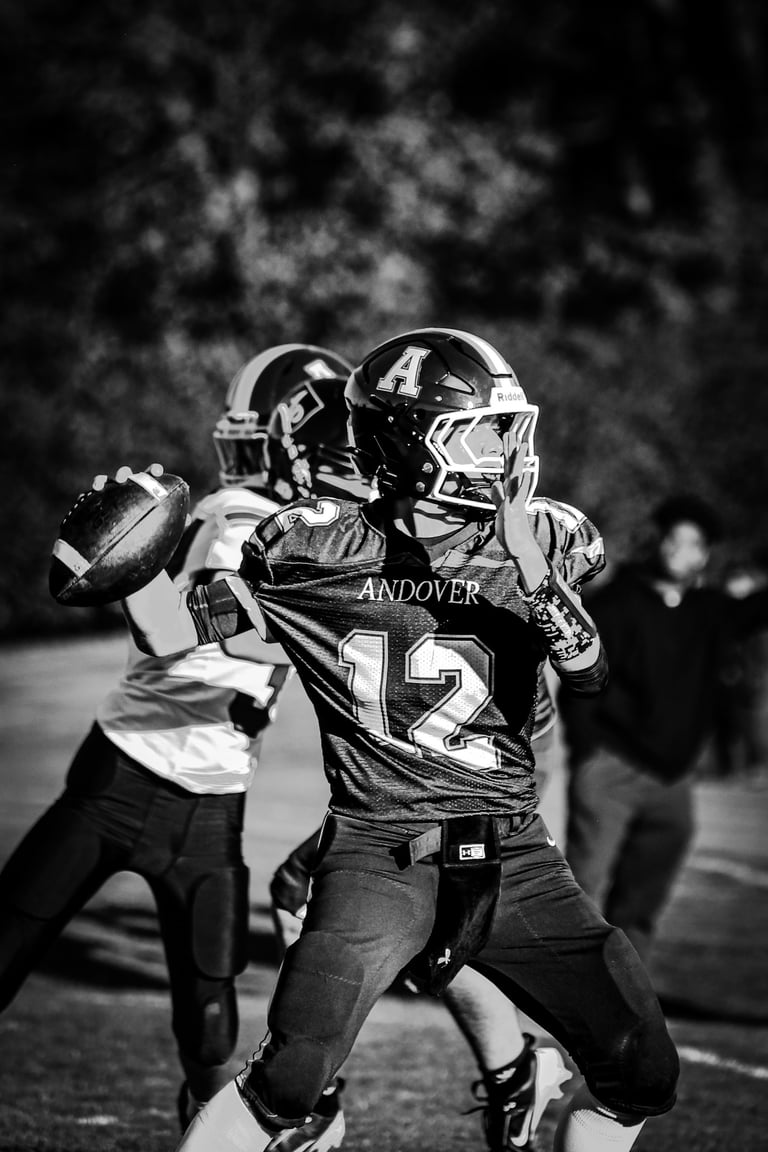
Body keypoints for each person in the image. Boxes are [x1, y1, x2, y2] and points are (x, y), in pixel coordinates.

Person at [102, 328, 680, 1152]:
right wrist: (130, 557)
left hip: (514, 852)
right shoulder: (314, 546)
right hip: (380, 852)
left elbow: (588, 670)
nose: (505, 451)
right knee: (287, 1080)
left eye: (504, 429)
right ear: (412, 441)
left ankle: (520, 1082)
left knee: (641, 1071)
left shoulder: (540, 537)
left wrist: (529, 565)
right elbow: (170, 631)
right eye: (480, 432)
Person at [0, 343, 356, 1135]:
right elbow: (201, 626)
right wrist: (328, 631)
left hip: (206, 800)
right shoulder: (247, 521)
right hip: (127, 775)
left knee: (210, 1022)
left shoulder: (290, 524)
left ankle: (216, 1128)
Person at [269, 664, 572, 1152]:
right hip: (439, 777)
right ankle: (513, 1078)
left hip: (456, 786)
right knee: (437, 931)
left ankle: (308, 1097)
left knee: (301, 890)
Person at [562, 495, 768, 961]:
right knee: (580, 891)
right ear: (657, 543)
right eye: (674, 539)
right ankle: (557, 986)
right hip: (610, 768)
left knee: (643, 900)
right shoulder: (614, 602)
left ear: (705, 555)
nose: (681, 550)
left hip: (673, 780)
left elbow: (757, 609)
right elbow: (580, 680)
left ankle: (625, 985)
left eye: (694, 544)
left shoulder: (710, 611)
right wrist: (588, 751)